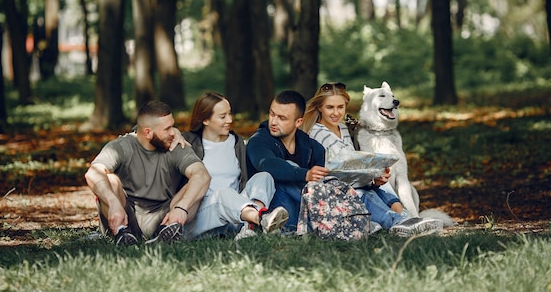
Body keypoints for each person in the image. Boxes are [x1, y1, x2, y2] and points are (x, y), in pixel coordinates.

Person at [301, 82, 443, 237]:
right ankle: (399, 222)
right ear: (319, 107)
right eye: (330, 107)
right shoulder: (317, 132)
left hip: (353, 183)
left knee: (380, 184)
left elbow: (353, 164)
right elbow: (338, 169)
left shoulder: (343, 128)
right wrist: (368, 178)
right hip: (335, 190)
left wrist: (373, 178)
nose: (336, 113)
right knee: (366, 193)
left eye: (340, 107)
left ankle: (408, 219)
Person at [84, 100, 211, 246]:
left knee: (195, 184)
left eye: (173, 126)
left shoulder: (175, 146)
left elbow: (202, 175)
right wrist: (113, 203)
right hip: (125, 214)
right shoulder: (122, 146)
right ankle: (122, 234)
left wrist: (182, 207)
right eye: (167, 128)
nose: (173, 132)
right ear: (148, 132)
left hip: (164, 216)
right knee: (110, 179)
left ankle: (167, 233)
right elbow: (93, 173)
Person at [180, 92, 289, 240]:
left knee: (264, 177)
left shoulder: (236, 142)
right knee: (222, 194)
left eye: (229, 113)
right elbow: (146, 131)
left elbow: (245, 182)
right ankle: (260, 219)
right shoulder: (187, 142)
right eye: (222, 116)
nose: (230, 120)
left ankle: (251, 226)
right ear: (205, 119)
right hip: (202, 218)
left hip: (235, 215)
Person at [246, 90, 329, 231]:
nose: (273, 121)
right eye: (272, 114)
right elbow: (266, 163)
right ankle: (328, 218)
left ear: (298, 122)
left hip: (303, 210)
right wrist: (304, 174)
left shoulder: (314, 148)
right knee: (289, 168)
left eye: (282, 118)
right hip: (271, 212)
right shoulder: (258, 141)